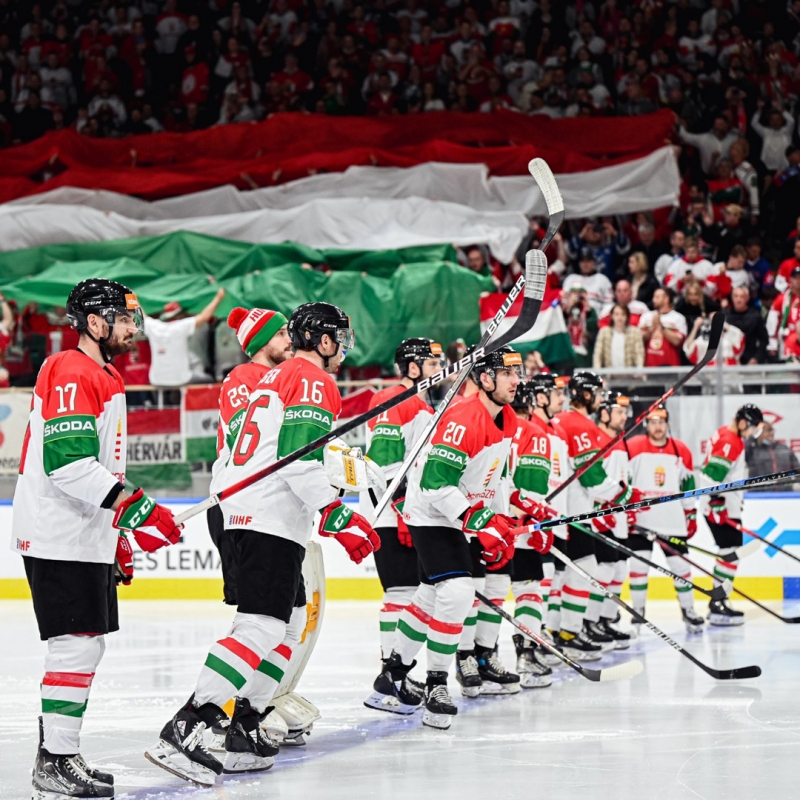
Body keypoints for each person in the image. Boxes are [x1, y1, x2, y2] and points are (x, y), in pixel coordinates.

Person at [147, 302, 380, 782]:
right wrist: (335, 511)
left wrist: (342, 470)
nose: (344, 347)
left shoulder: (276, 376)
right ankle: (188, 725)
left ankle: (245, 723)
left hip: (257, 513)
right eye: (339, 337)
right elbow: (297, 459)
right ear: (323, 340)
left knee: (285, 625)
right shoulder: (312, 378)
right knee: (258, 626)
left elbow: (288, 449)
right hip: (267, 516)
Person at [13, 279, 183, 798]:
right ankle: (55, 760)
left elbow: (96, 466)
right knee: (75, 647)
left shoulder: (101, 372)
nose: (133, 328)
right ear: (94, 322)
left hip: (81, 531)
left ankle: (59, 752)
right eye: (124, 318)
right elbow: (68, 464)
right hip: (58, 532)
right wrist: (136, 508)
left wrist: (117, 533)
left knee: (84, 646)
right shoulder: (72, 368)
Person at [381, 348, 547, 730]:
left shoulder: (506, 418)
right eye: (508, 374)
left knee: (429, 597)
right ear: (485, 379)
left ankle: (393, 673)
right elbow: (434, 484)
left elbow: (495, 478)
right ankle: (437, 683)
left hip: (458, 513)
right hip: (431, 512)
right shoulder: (463, 418)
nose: (516, 381)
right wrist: (479, 519)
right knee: (457, 593)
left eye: (518, 373)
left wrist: (502, 522)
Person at [551, 371, 642, 656]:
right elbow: (591, 477)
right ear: (587, 394)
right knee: (579, 571)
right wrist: (624, 495)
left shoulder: (566, 421)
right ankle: (566, 632)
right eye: (599, 394)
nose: (601, 399)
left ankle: (561, 632)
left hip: (569, 511)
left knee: (567, 573)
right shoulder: (578, 424)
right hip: (573, 514)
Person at [363, 339, 440, 669]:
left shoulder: (424, 407)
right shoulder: (392, 397)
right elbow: (383, 460)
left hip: (411, 514)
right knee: (400, 592)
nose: (439, 370)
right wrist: (403, 508)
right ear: (412, 367)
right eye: (433, 363)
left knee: (416, 595)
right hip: (392, 515)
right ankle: (391, 672)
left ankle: (398, 671)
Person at [625, 406, 705, 634]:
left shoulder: (680, 450)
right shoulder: (633, 446)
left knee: (681, 567)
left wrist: (690, 514)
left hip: (672, 521)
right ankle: (638, 612)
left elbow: (688, 486)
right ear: (646, 424)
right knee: (638, 567)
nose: (657, 427)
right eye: (653, 422)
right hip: (641, 521)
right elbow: (625, 479)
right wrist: (625, 509)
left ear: (667, 424)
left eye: (661, 422)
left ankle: (688, 610)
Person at [699, 404, 764, 625]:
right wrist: (716, 503)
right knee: (730, 552)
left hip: (725, 504)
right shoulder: (730, 441)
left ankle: (719, 600)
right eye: (753, 427)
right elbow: (710, 476)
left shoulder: (727, 435)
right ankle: (718, 602)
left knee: (729, 552)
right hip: (722, 507)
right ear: (743, 422)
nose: (752, 433)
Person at [586, 391, 634, 647]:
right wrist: (598, 508)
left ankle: (605, 619)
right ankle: (589, 621)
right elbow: (590, 482)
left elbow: (623, 479)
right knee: (603, 569)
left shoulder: (619, 440)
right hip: (601, 519)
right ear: (604, 413)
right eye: (619, 412)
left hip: (618, 517)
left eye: (625, 412)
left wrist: (630, 503)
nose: (624, 417)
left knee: (619, 570)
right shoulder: (595, 439)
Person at [144, 288, 226, 387]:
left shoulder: (154, 326)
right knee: (209, 379)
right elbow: (204, 317)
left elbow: (140, 314)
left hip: (156, 380)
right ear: (178, 315)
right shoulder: (182, 326)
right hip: (180, 379)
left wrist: (132, 297)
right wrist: (218, 298)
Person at [639, 288, 688, 368]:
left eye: (657, 297)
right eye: (653, 297)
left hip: (670, 367)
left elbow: (677, 341)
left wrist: (661, 327)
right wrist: (651, 329)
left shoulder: (678, 318)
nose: (653, 300)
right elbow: (639, 340)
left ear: (666, 299)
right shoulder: (646, 316)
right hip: (649, 367)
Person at [745, 422, 800, 491]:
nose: (771, 433)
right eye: (767, 430)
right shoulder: (753, 450)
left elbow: (797, 470)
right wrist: (753, 436)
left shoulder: (783, 448)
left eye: (772, 430)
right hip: (759, 494)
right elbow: (743, 450)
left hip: (784, 493)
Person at [725, 287, 769, 364]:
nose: (738, 300)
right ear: (732, 298)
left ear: (747, 298)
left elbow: (764, 340)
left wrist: (756, 358)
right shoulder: (724, 315)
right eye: (736, 296)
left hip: (749, 360)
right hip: (729, 359)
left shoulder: (755, 316)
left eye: (742, 297)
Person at [593, 304, 645, 368]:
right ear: (612, 316)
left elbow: (639, 354)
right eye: (617, 314)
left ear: (627, 316)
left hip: (629, 372)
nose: (620, 318)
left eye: (623, 314)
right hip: (609, 372)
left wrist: (639, 370)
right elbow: (598, 354)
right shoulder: (604, 332)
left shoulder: (635, 332)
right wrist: (597, 371)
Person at [767, 266, 800, 362]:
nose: (798, 281)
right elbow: (772, 321)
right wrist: (772, 343)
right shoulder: (782, 298)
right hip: (787, 338)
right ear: (790, 279)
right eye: (796, 278)